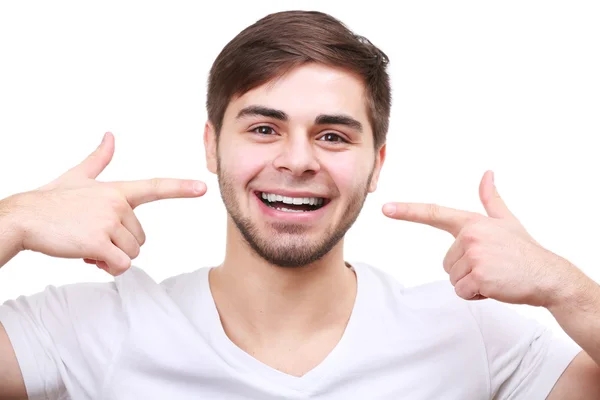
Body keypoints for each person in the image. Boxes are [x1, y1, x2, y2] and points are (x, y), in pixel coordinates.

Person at [0, 9, 598, 400]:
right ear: (212, 145)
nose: (297, 159)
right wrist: (16, 221)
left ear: (376, 167)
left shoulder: (470, 333)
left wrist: (564, 288)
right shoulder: (99, 328)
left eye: (333, 135)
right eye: (263, 128)